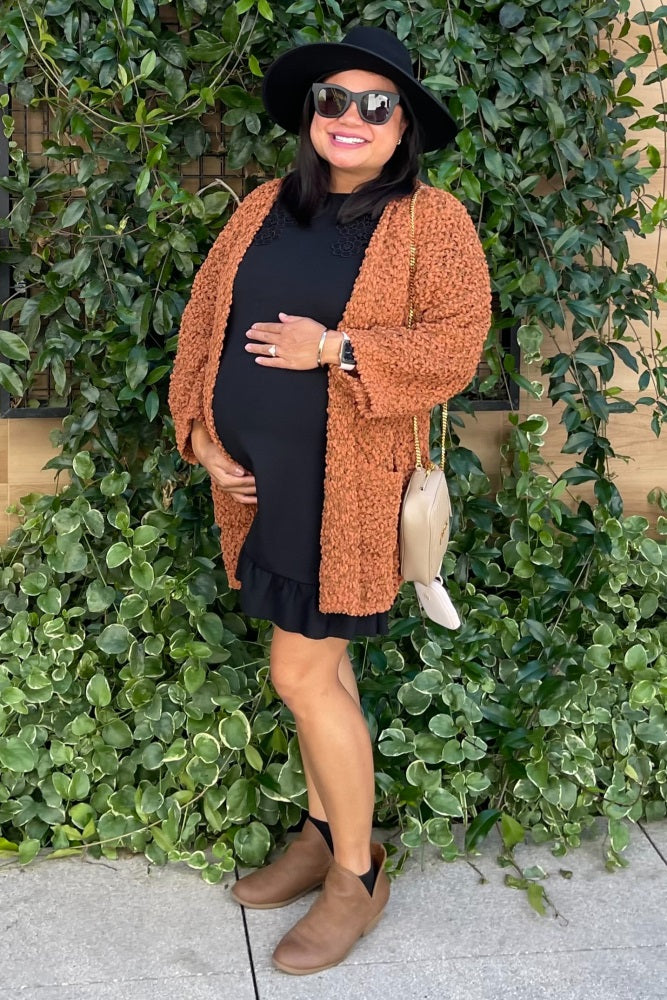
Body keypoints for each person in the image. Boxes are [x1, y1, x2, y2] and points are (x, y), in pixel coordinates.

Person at [168, 25, 491, 976]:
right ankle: (321, 835)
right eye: (333, 100)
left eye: (374, 105)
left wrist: (335, 348)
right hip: (260, 487)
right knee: (324, 675)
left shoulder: (432, 223)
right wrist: (199, 435)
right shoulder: (262, 207)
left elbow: (455, 345)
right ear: (311, 114)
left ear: (403, 129)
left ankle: (357, 872)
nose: (350, 117)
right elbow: (203, 323)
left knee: (302, 677)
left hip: (343, 494)